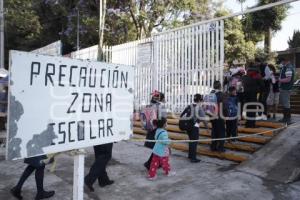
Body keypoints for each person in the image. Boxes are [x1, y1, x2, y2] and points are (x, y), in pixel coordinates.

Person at [142, 91, 167, 170]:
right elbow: (163, 119)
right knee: (158, 147)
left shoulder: (149, 105)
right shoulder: (161, 106)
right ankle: (150, 164)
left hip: (151, 128)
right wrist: (164, 129)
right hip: (158, 129)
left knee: (157, 147)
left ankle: (153, 163)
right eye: (164, 97)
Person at [180, 94, 208, 162]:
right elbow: (203, 119)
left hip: (188, 126)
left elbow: (182, 115)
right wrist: (207, 127)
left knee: (191, 141)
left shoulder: (189, 106)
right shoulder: (199, 107)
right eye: (201, 100)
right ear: (199, 100)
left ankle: (190, 155)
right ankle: (193, 158)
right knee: (194, 142)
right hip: (194, 127)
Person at [207, 81, 226, 152]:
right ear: (220, 86)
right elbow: (224, 107)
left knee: (214, 130)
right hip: (219, 115)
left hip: (212, 115)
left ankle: (213, 146)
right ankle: (221, 147)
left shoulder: (210, 94)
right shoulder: (222, 95)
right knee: (221, 131)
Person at [278, 57, 295, 124]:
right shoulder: (286, 67)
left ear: (285, 61)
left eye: (282, 61)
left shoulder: (288, 68)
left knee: (286, 103)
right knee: (285, 103)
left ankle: (287, 119)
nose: (281, 63)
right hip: (284, 88)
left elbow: (288, 79)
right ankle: (286, 118)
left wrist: (279, 80)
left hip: (286, 88)